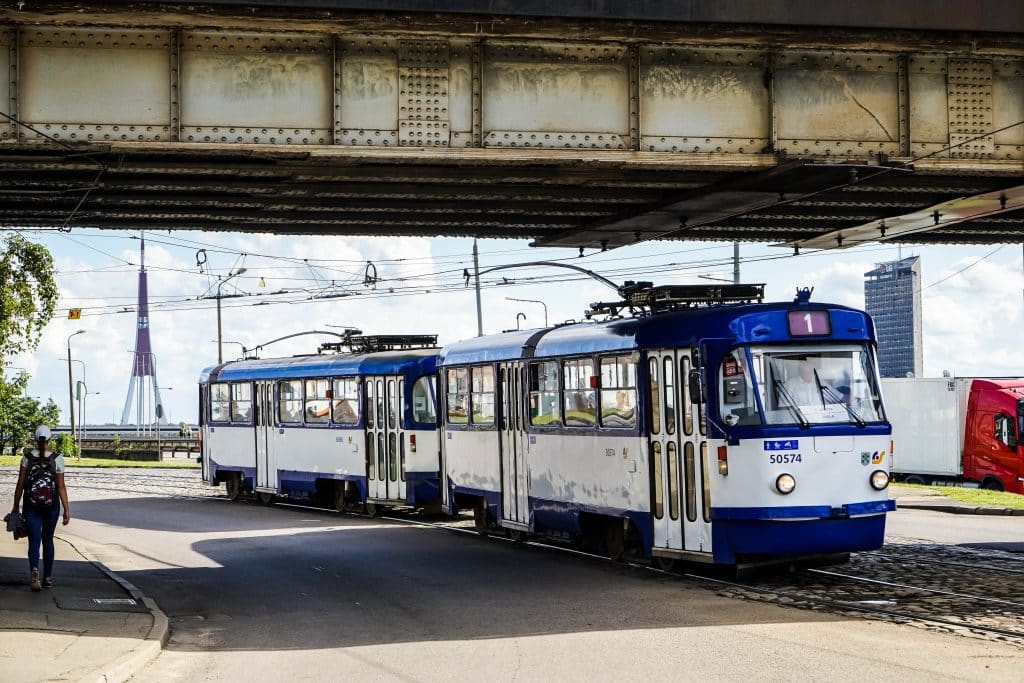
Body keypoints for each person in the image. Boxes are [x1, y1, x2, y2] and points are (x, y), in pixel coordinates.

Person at [9, 426, 70, 592]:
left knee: (34, 540)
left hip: (31, 505)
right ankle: (48, 578)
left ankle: (34, 569)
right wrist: (66, 509)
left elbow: (20, 484)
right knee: (48, 539)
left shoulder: (27, 458)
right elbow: (60, 487)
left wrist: (16, 506)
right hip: (51, 506)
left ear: (35, 439)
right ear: (50, 439)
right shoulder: (57, 459)